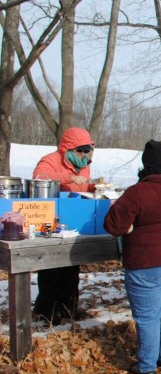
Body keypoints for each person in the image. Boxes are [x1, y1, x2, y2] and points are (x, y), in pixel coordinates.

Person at [104, 140, 161, 374]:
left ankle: (147, 366)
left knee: (147, 315)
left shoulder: (137, 192)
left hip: (146, 261)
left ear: (146, 166)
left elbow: (114, 226)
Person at [31, 127, 97, 325]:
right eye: (80, 151)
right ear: (68, 148)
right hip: (51, 221)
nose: (84, 155)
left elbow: (82, 187)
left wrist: (95, 187)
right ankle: (46, 310)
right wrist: (68, 177)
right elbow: (38, 177)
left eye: (87, 151)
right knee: (51, 269)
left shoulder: (84, 165)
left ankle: (69, 308)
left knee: (71, 268)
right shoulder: (50, 160)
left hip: (73, 222)